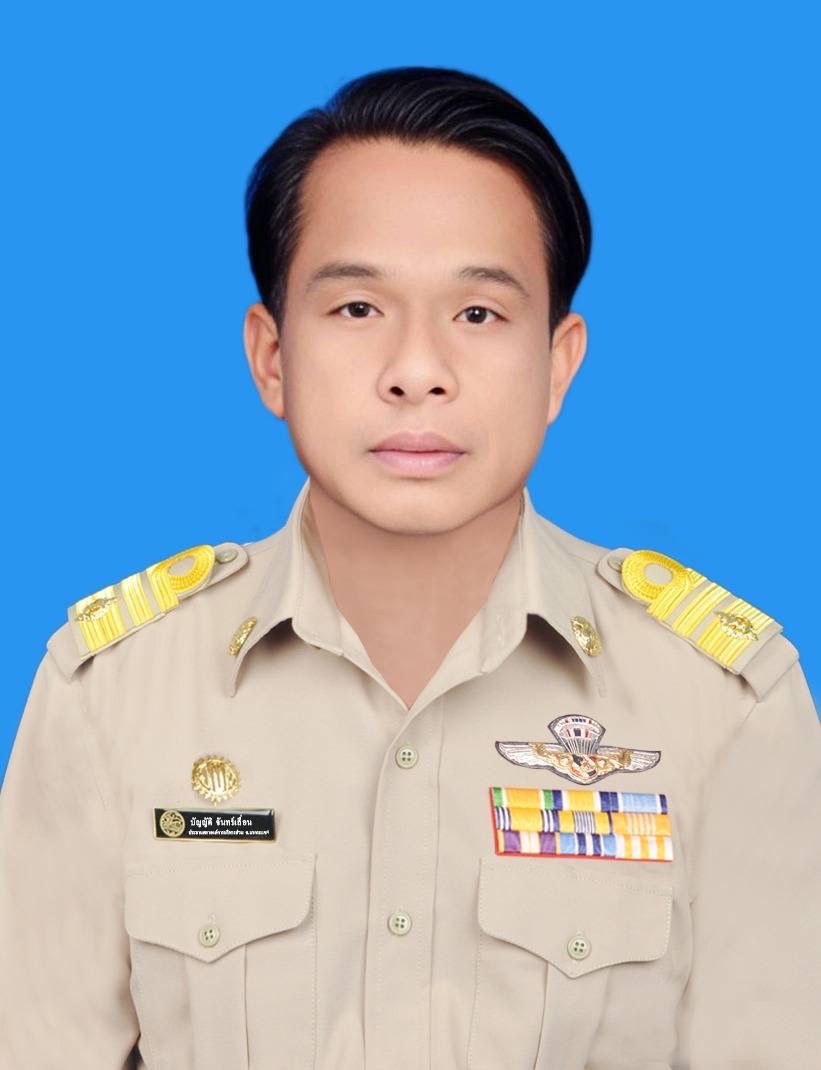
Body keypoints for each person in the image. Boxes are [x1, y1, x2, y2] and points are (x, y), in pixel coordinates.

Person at [1, 64, 819, 1070]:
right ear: (270, 357)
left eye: (477, 314)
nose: (416, 370)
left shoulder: (724, 705)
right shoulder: (111, 693)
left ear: (558, 362)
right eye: (357, 308)